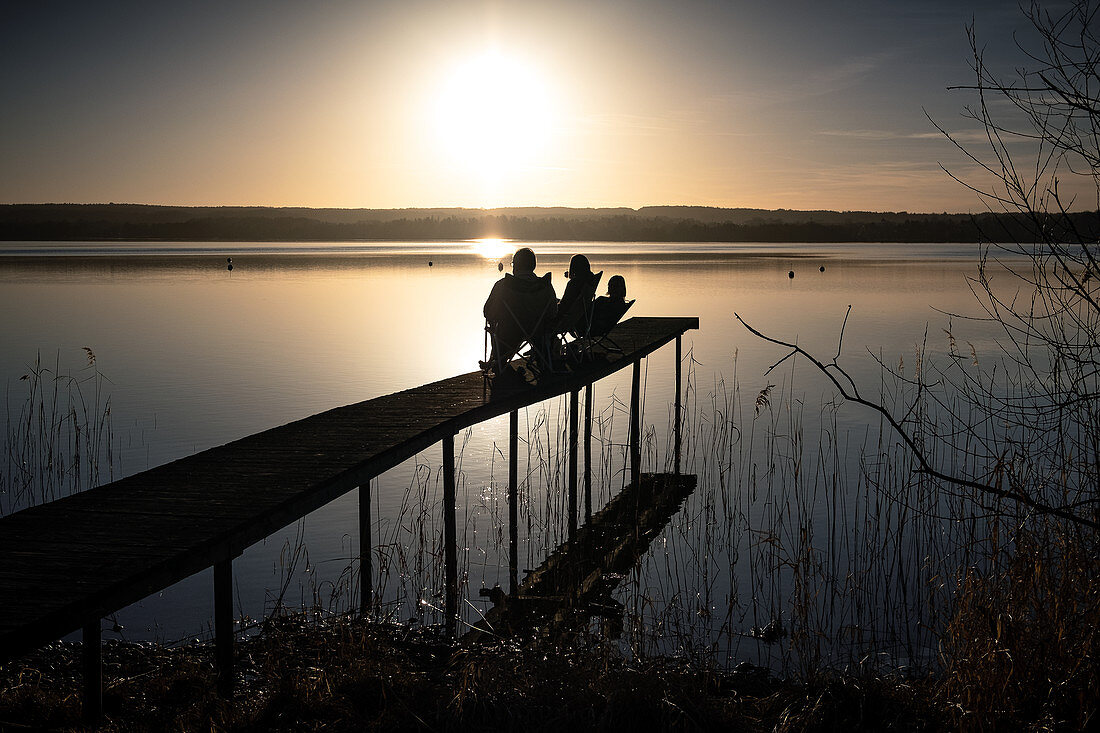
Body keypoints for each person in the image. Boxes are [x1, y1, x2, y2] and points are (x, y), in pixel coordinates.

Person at [482, 247, 557, 370]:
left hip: (509, 335)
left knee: (493, 322)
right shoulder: (545, 285)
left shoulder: (503, 285)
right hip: (538, 334)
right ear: (533, 266)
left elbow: (488, 312)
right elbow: (553, 312)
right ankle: (544, 359)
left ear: (515, 265)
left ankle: (498, 359)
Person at [556, 254, 599, 336]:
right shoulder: (589, 282)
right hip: (580, 316)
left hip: (565, 320)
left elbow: (564, 306)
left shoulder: (573, 284)